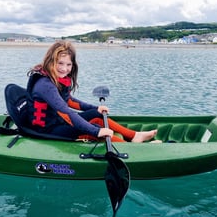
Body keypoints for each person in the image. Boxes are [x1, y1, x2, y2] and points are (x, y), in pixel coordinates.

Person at [25, 40, 159, 143]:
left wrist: (95, 108)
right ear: (50, 61)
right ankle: (131, 148)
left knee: (97, 115)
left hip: (58, 121)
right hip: (47, 130)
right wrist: (96, 131)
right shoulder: (45, 85)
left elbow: (69, 101)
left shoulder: (58, 78)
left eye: (68, 64)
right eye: (60, 63)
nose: (64, 69)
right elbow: (66, 113)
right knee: (93, 129)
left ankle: (135, 136)